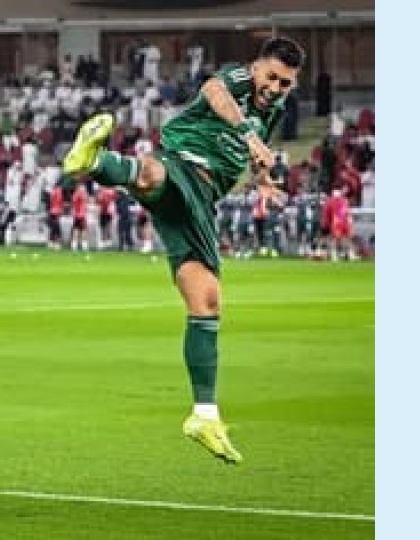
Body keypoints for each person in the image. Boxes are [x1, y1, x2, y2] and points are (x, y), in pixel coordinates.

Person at [62, 36, 307, 464]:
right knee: (154, 176)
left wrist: (264, 181)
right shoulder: (237, 78)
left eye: (285, 83)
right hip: (185, 163)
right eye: (271, 77)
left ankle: (204, 415)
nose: (274, 88)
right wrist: (248, 134)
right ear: (256, 68)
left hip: (204, 201)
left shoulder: (275, 109)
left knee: (207, 302)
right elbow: (214, 91)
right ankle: (95, 162)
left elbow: (257, 153)